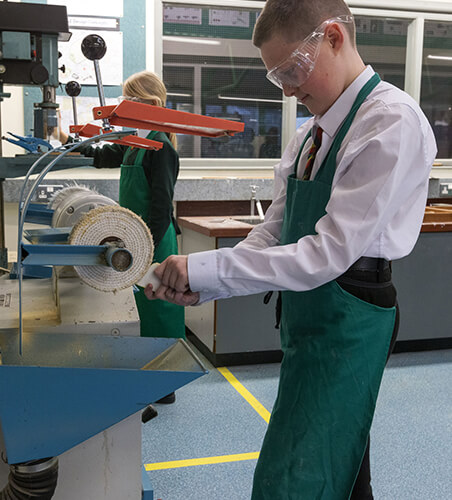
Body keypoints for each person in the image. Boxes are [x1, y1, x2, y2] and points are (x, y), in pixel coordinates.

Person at [145, 0, 437, 498]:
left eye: (293, 70)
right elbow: (274, 230)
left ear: (334, 38)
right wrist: (203, 283)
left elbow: (326, 255)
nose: (287, 88)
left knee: (313, 460)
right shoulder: (310, 135)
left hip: (352, 310)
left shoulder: (388, 122)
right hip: (312, 309)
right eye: (276, 76)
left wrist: (206, 270)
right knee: (336, 453)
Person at [58, 71, 185, 344]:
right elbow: (103, 155)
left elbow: (161, 208)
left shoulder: (161, 147)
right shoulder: (133, 142)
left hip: (155, 239)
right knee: (139, 306)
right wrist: (71, 145)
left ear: (147, 104)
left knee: (159, 304)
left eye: (128, 99)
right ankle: (144, 366)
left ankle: (166, 371)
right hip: (136, 238)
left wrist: (143, 250)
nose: (122, 106)